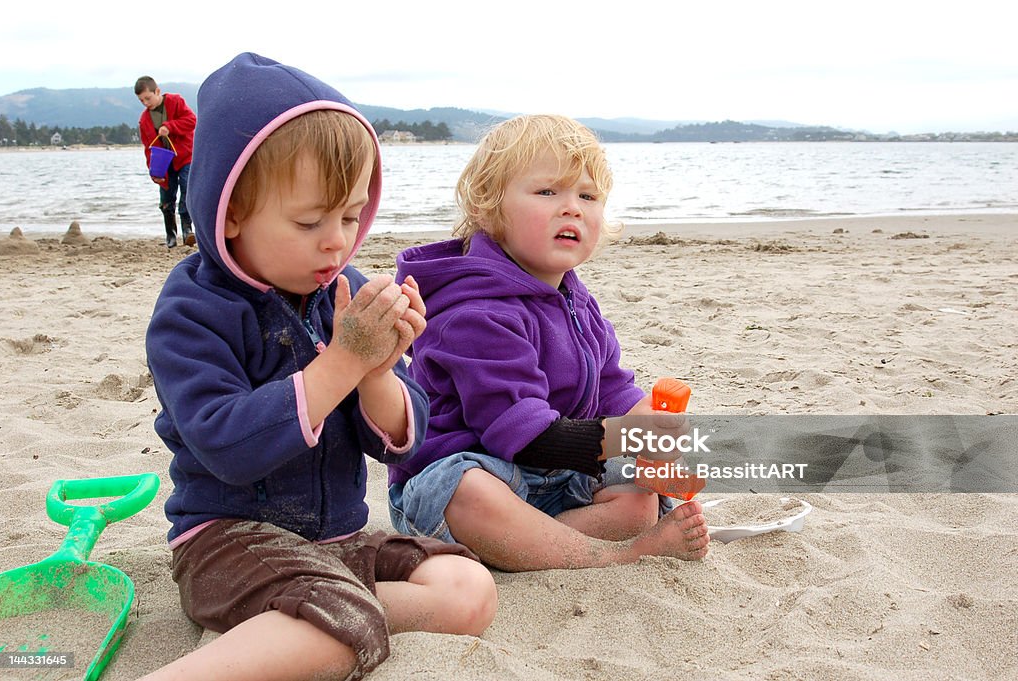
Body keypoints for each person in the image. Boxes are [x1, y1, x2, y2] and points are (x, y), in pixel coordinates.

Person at [140, 53, 496, 681]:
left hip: (334, 543)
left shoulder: (343, 292)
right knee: (342, 629)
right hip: (228, 541)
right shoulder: (193, 310)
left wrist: (379, 371)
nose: (337, 240)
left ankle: (289, 623)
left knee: (469, 588)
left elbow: (402, 440)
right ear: (230, 211)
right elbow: (226, 443)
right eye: (310, 221)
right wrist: (342, 364)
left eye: (352, 216)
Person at [390, 114, 710, 571]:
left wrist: (645, 422)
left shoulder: (573, 296)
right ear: (487, 207)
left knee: (638, 493)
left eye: (587, 196)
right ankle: (615, 554)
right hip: (477, 473)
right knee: (468, 490)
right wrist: (622, 435)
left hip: (554, 477)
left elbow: (610, 387)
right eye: (547, 192)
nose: (572, 208)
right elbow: (521, 436)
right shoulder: (474, 312)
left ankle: (532, 544)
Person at [135, 75, 197, 248]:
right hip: (163, 161)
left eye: (148, 98)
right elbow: (149, 148)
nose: (146, 103)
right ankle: (170, 234)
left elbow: (192, 121)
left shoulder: (176, 102)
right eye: (141, 101)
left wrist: (170, 127)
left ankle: (187, 230)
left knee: (187, 191)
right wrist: (153, 171)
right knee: (166, 198)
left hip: (185, 156)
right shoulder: (144, 120)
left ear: (157, 91)